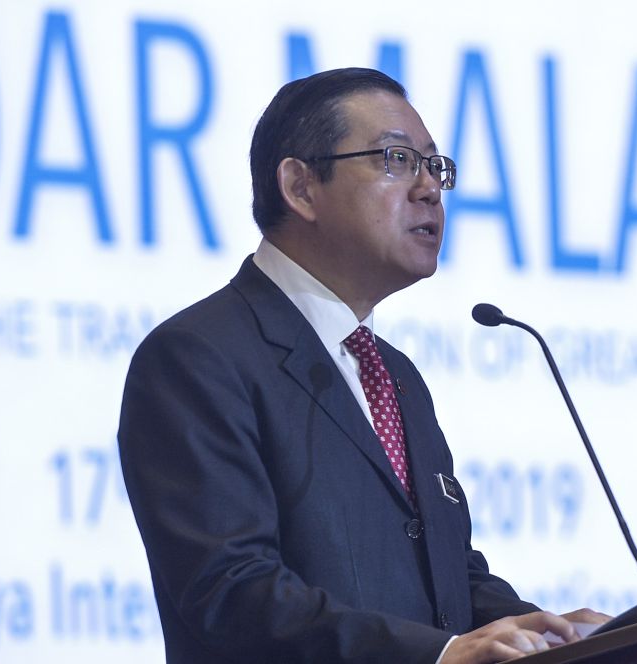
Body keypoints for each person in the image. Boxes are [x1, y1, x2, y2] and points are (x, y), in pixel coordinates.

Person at [118, 67, 607, 664]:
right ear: (300, 187)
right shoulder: (198, 358)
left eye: (435, 166)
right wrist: (439, 655)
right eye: (397, 160)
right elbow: (232, 594)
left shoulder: (396, 376)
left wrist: (555, 637)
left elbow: (446, 580)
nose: (429, 189)